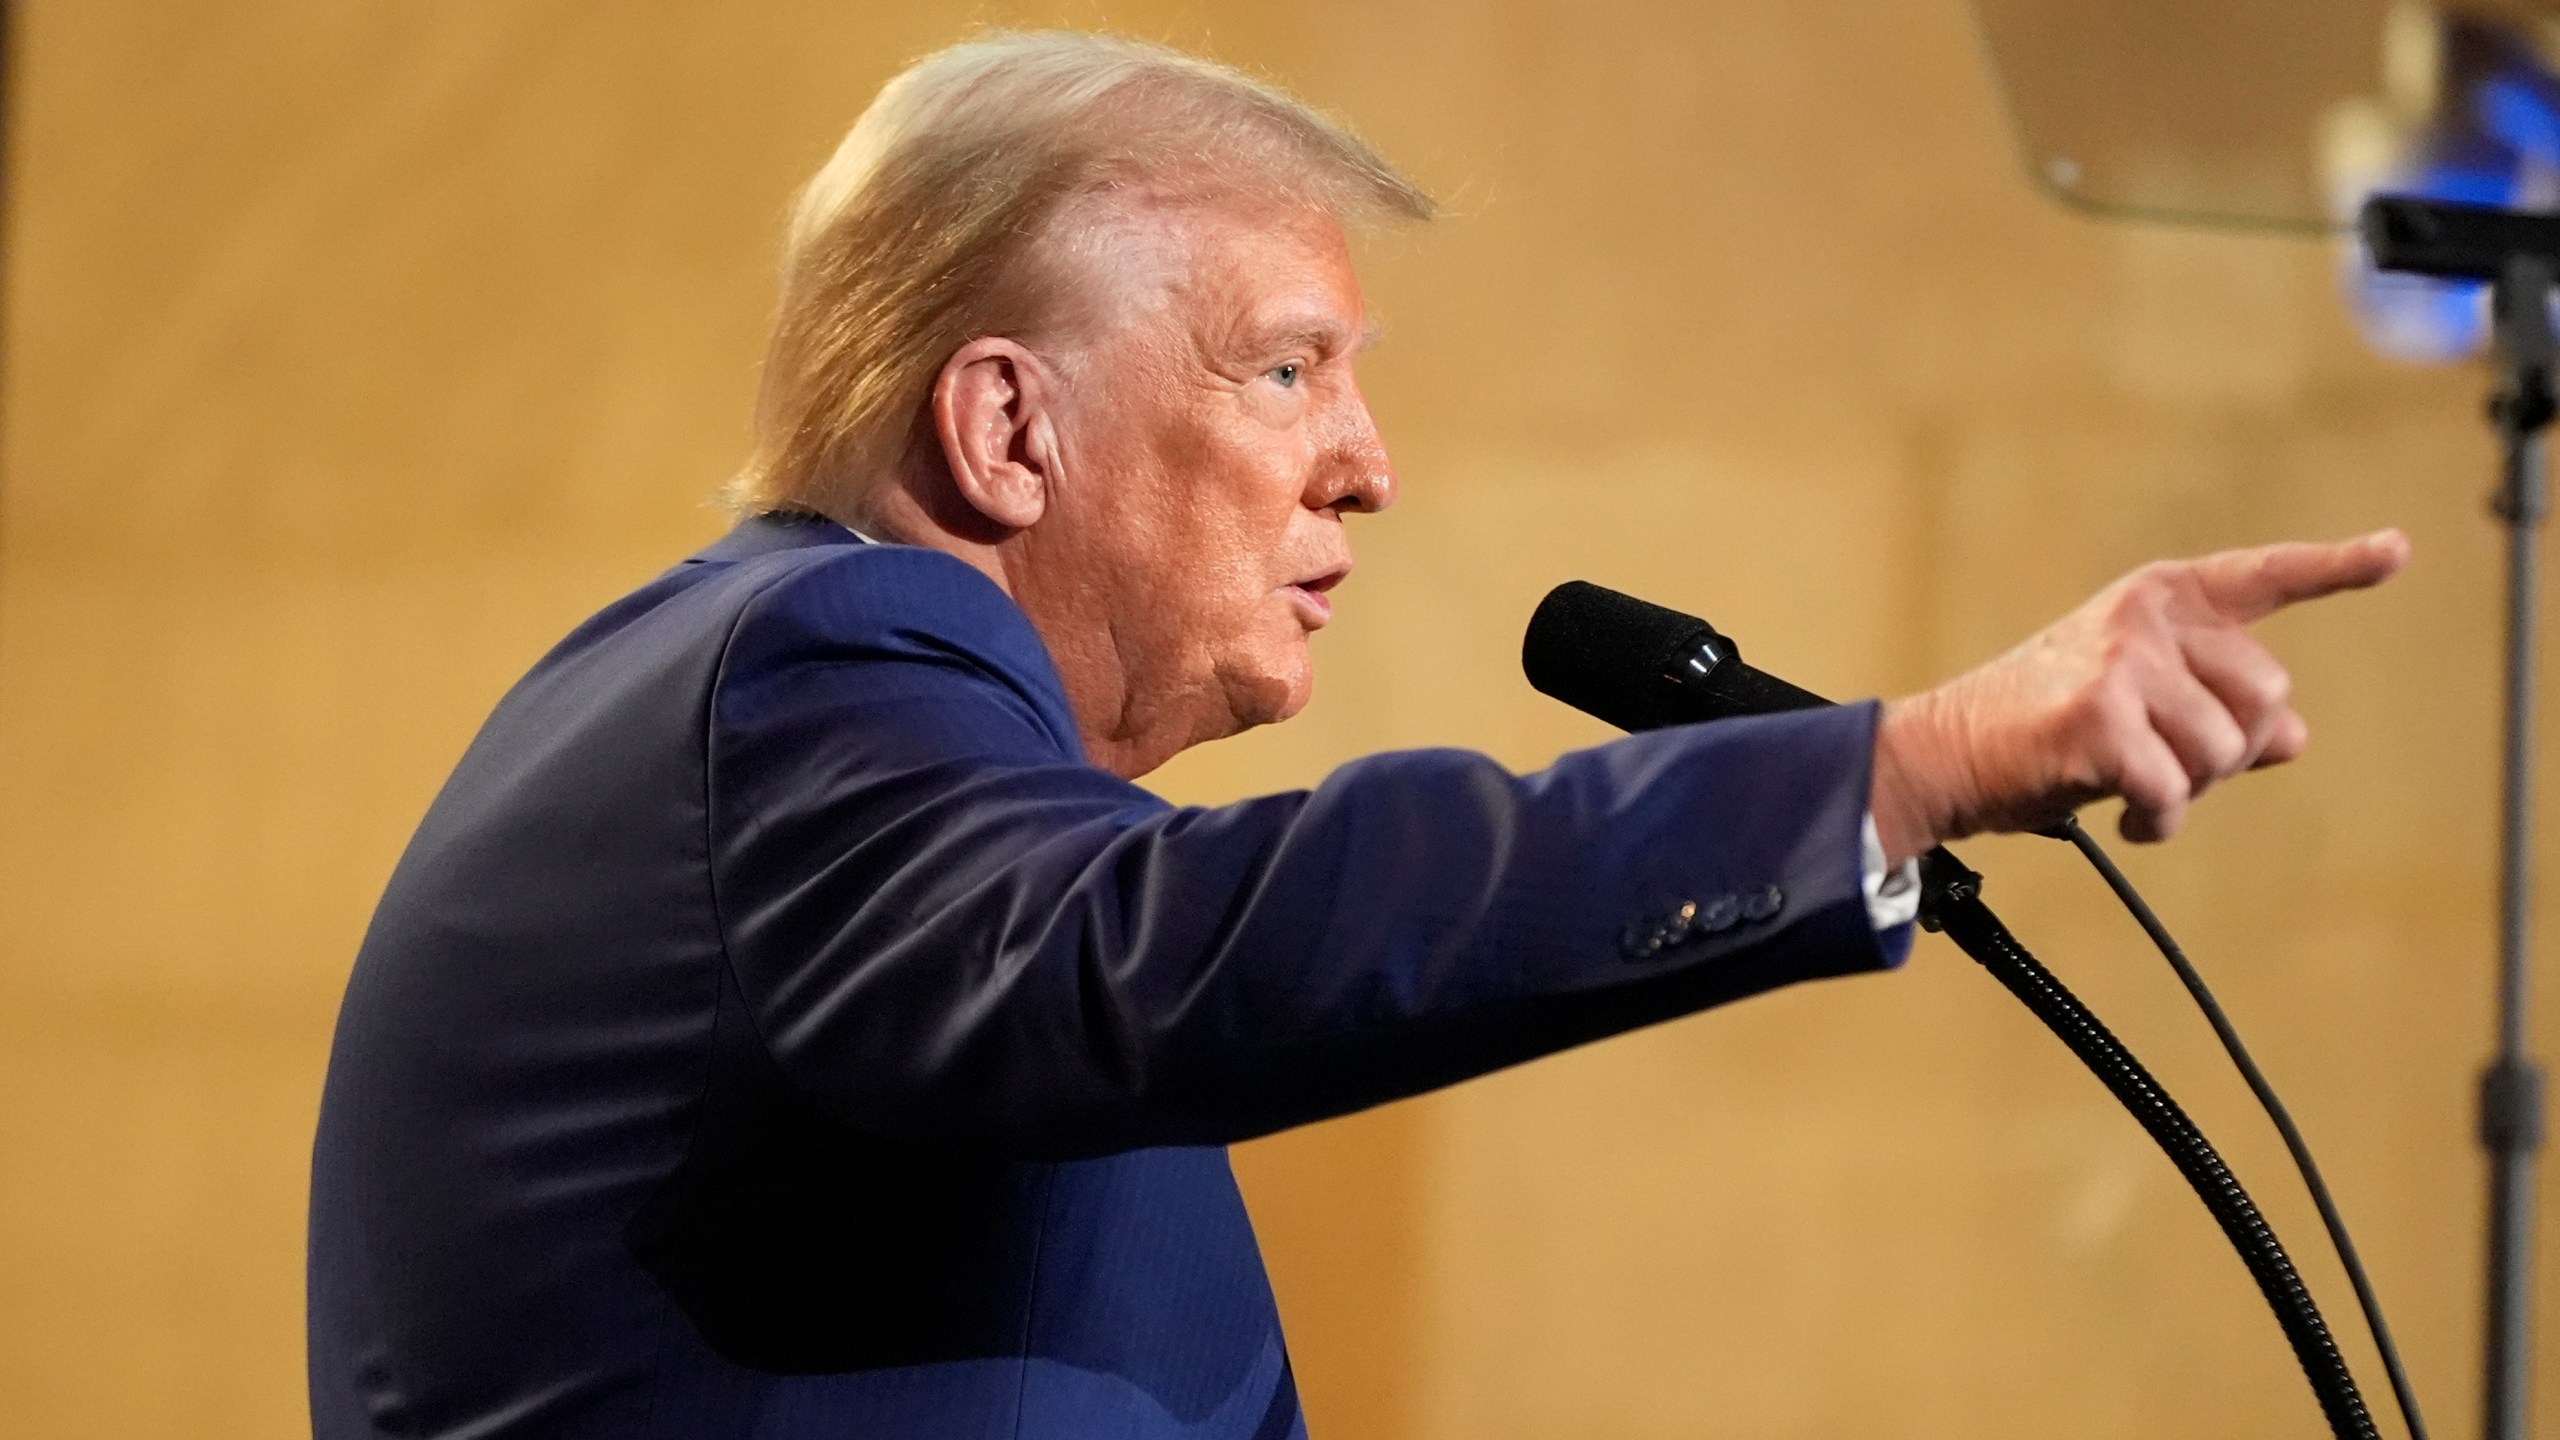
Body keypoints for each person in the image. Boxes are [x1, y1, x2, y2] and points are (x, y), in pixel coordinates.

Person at [306, 30, 2409, 1440]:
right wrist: (1901, 766)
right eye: (1288, 369)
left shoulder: (831, 769)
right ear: (1003, 425)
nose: (1368, 466)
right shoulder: (815, 666)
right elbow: (1168, 955)